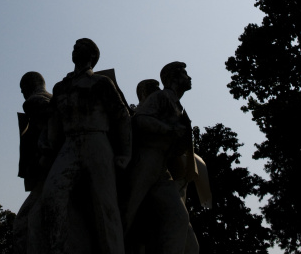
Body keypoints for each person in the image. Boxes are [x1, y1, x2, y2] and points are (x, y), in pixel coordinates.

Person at [41, 38, 131, 254]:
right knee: (52, 195)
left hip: (96, 141)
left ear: (92, 55)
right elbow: (53, 123)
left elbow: (122, 117)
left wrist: (125, 153)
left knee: (105, 205)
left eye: (80, 47)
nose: (75, 49)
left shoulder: (101, 82)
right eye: (74, 47)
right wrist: (47, 147)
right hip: (70, 144)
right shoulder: (61, 87)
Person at [123, 62, 195, 254]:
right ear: (173, 78)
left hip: (162, 166)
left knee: (179, 217)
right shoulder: (161, 97)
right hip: (146, 158)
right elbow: (140, 120)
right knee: (127, 212)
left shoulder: (175, 103)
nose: (189, 78)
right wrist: (169, 130)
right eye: (185, 74)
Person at [14, 72, 52, 254]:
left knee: (24, 224)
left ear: (28, 86)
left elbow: (50, 131)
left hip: (47, 172)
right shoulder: (52, 99)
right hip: (48, 172)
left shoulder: (34, 102)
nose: (22, 94)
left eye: (23, 90)